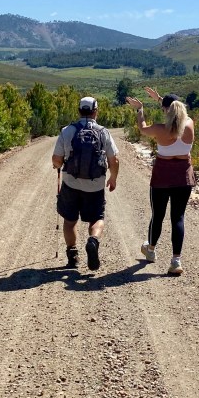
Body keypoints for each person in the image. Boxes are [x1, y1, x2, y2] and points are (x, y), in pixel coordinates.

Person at [125, 87, 195, 276]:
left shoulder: (159, 129)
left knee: (158, 215)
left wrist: (140, 109)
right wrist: (161, 99)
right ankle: (176, 260)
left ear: (165, 110)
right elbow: (175, 111)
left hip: (162, 177)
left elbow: (141, 128)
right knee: (178, 218)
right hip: (183, 177)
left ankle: (151, 249)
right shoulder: (189, 124)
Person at [52, 96, 119, 271]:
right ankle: (93, 240)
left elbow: (56, 160)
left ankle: (72, 255)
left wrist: (57, 166)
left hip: (71, 184)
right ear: (95, 111)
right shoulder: (103, 132)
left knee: (69, 220)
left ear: (79, 111)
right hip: (95, 186)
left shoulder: (67, 131)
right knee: (97, 217)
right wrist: (113, 178)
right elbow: (114, 159)